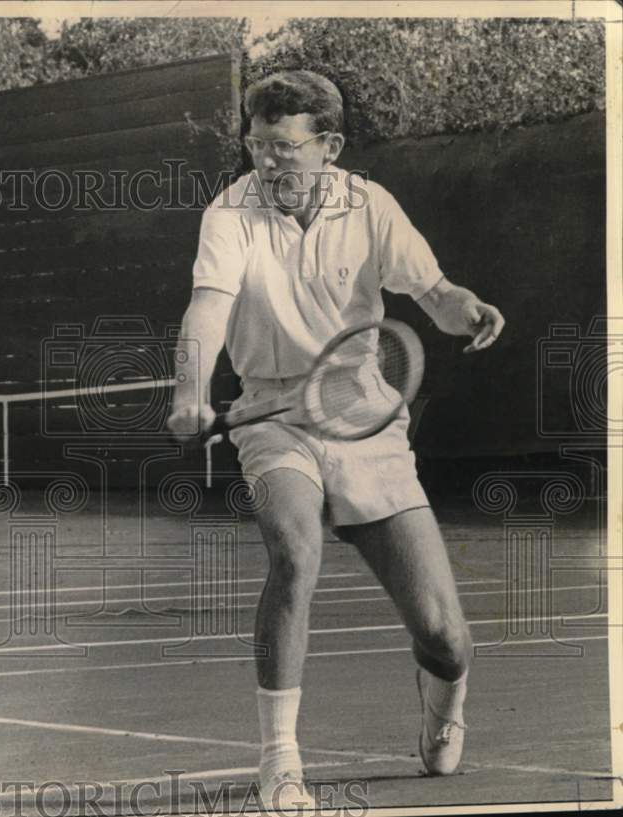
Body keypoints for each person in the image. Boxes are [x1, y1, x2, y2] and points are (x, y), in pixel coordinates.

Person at [167, 70, 505, 811]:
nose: (268, 163)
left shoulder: (371, 204)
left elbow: (435, 294)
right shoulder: (230, 214)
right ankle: (280, 759)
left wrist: (466, 309)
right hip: (271, 418)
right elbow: (206, 313)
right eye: (256, 147)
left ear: (330, 145)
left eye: (285, 148)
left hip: (365, 419)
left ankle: (442, 705)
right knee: (294, 551)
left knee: (445, 636)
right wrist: (190, 390)